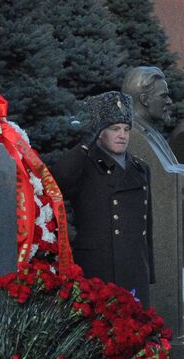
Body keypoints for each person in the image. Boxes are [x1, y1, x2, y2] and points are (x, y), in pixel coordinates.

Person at [53, 91, 154, 306]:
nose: (122, 135)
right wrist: (83, 145)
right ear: (99, 133)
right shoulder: (84, 164)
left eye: (126, 129)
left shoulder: (140, 168)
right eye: (114, 129)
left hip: (134, 267)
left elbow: (146, 228)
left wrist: (148, 271)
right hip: (98, 266)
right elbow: (59, 180)